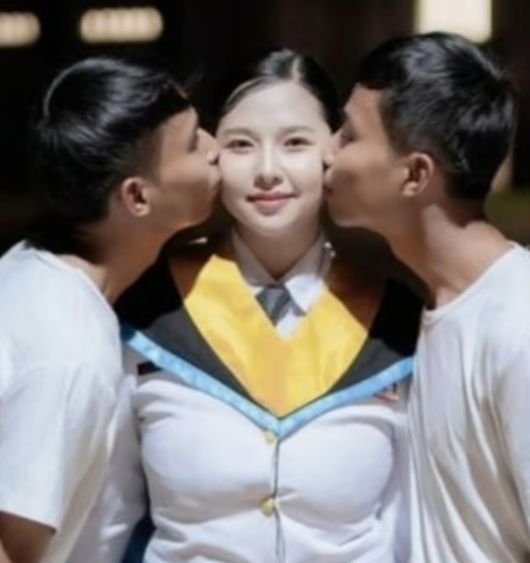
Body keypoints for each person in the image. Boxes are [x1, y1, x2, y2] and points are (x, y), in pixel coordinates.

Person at [71, 48, 421, 563]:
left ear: (335, 149)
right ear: (211, 155)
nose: (267, 171)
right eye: (240, 145)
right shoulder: (149, 308)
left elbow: (408, 520)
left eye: (296, 143)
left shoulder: (396, 320)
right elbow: (107, 514)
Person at [0, 56, 219, 563]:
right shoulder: (69, 349)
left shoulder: (28, 267)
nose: (215, 147)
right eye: (192, 143)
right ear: (137, 196)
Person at [324, 32, 529, 562]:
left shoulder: (518, 323)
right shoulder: (428, 307)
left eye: (349, 135)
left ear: (415, 174)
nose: (327, 151)